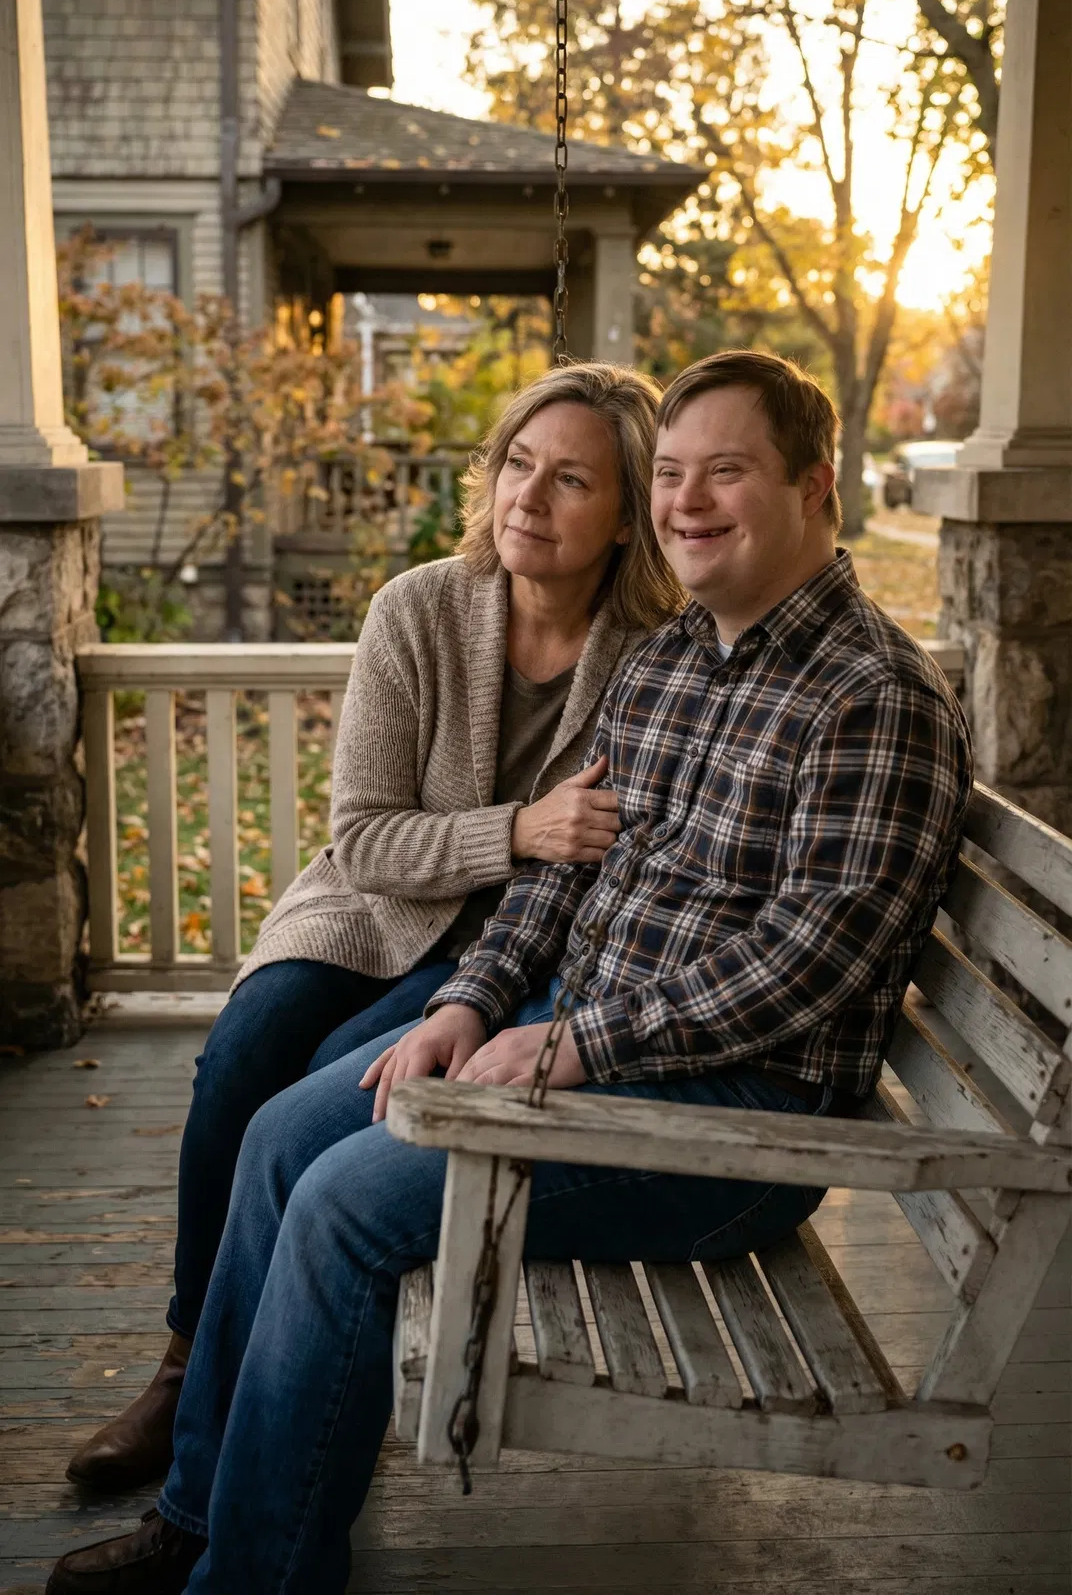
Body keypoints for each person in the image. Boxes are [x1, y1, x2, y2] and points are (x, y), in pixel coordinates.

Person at [48, 350, 973, 1595]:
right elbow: (558, 871)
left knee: (346, 1207)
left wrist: (575, 1044)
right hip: (580, 1045)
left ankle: (255, 1577)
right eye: (679, 476)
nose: (690, 502)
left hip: (737, 1123)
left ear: (817, 489)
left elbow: (812, 960)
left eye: (727, 473)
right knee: (278, 1134)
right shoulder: (679, 656)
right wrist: (467, 1001)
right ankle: (202, 1518)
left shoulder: (872, 695)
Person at [65, 361, 682, 1496]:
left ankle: (292, 1371)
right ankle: (185, 1356)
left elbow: (614, 863)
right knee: (245, 1055)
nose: (526, 499)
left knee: (332, 1097)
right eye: (515, 465)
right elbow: (367, 839)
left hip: (518, 951)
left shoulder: (656, 654)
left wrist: (528, 874)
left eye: (571, 481)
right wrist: (523, 831)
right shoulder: (419, 609)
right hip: (372, 911)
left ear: (629, 513)